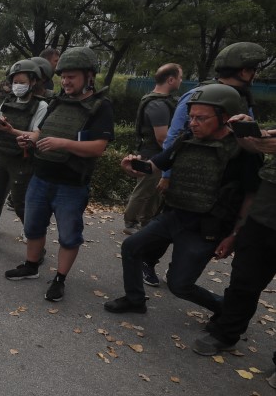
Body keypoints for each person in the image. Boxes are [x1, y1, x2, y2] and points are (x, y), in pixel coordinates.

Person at [104, 84, 261, 316]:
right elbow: (155, 166)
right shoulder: (186, 139)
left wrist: (234, 236)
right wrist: (133, 167)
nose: (193, 123)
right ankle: (135, 299)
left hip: (207, 227)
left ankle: (224, 309)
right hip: (175, 215)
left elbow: (251, 196)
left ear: (225, 117)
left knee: (179, 285)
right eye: (191, 117)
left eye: (201, 118)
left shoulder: (243, 152)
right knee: (131, 247)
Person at [141, 42, 267, 287]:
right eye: (252, 70)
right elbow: (176, 136)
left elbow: (249, 142)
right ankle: (149, 261)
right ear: (243, 71)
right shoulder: (199, 95)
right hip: (190, 172)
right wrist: (166, 173)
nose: (253, 75)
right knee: (169, 221)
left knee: (205, 226)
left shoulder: (242, 100)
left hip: (223, 177)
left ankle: (179, 273)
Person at [3, 46, 113, 302]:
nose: (65, 81)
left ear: (89, 76)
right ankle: (31, 266)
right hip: (41, 177)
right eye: (63, 76)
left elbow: (98, 147)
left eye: (71, 76)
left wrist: (63, 143)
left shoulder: (100, 106)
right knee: (32, 226)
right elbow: (41, 133)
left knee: (68, 235)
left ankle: (60, 279)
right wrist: (28, 140)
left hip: (71, 184)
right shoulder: (57, 102)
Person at [191, 119, 276, 379]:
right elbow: (258, 145)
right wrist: (246, 132)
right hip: (262, 219)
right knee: (243, 281)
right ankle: (226, 333)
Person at [0, 59, 49, 250]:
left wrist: (11, 130)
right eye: (15, 82)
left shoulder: (40, 106)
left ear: (33, 82)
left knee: (20, 203)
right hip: (1, 154)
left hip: (22, 159)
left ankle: (35, 240)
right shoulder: (8, 102)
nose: (17, 86)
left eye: (22, 82)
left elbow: (36, 135)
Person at [121, 64, 182, 235]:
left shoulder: (158, 101)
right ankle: (130, 222)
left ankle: (145, 222)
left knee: (154, 191)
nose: (181, 81)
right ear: (170, 80)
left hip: (154, 152)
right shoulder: (158, 104)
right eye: (180, 77)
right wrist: (172, 156)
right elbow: (162, 137)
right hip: (153, 154)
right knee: (144, 190)